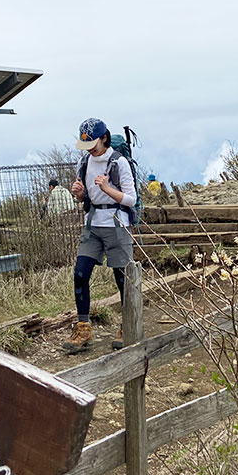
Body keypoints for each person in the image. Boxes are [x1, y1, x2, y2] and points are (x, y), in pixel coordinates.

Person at [63, 118, 137, 354]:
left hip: (117, 223)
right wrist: (80, 194)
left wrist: (107, 189)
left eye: (93, 143)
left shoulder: (120, 162)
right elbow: (86, 198)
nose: (90, 148)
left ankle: (128, 326)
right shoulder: (84, 161)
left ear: (104, 138)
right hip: (93, 224)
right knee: (80, 274)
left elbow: (131, 199)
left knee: (122, 278)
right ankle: (83, 328)